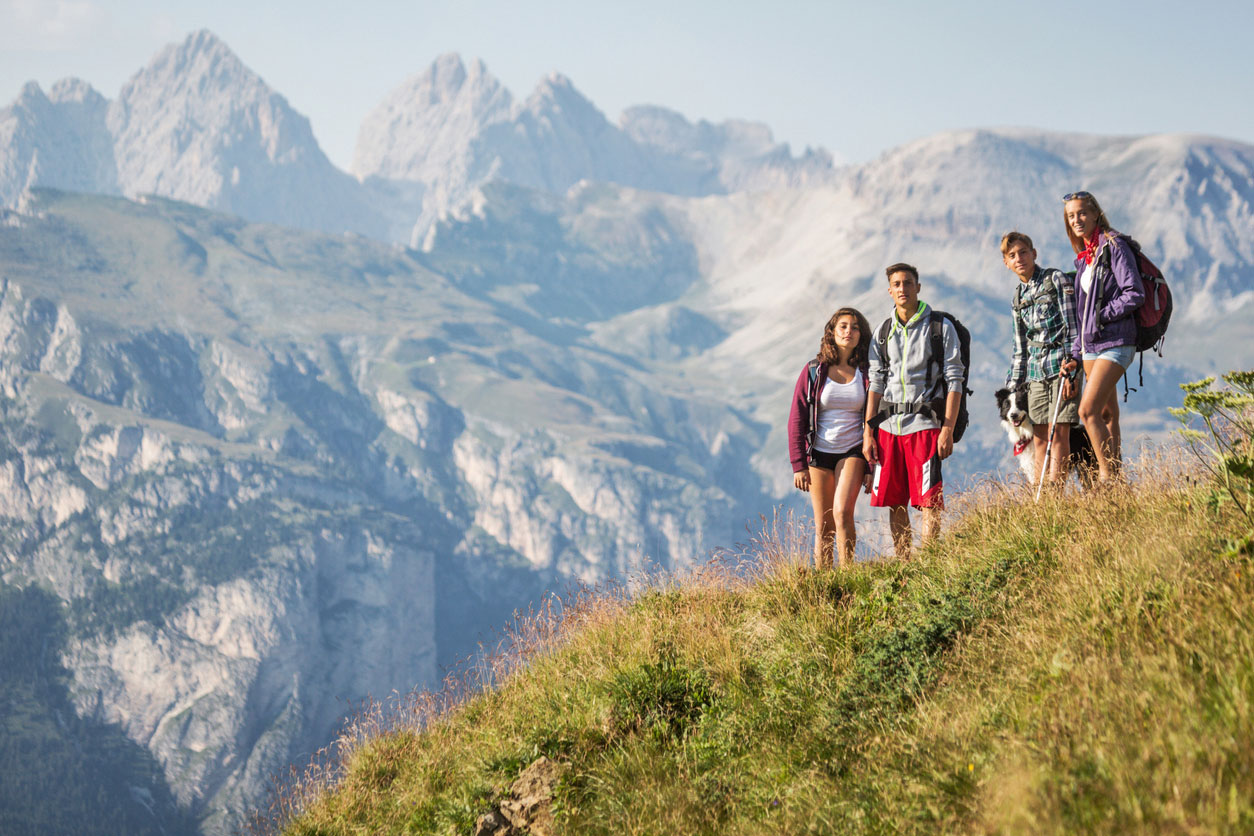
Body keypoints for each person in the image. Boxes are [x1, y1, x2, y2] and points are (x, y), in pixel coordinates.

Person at [863, 263, 964, 559]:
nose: (902, 289)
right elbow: (876, 383)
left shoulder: (940, 328)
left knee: (929, 500)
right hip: (888, 428)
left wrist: (947, 429)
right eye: (896, 284)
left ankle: (929, 563)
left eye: (908, 283)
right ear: (890, 291)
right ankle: (904, 563)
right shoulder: (883, 332)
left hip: (925, 425)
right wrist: (869, 431)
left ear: (918, 287)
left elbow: (955, 379)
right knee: (895, 501)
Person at [1062, 191, 1144, 483]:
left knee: (1087, 411)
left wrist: (1103, 315)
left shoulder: (1114, 246)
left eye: (1082, 213)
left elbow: (1134, 292)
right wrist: (1074, 354)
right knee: (1107, 415)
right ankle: (1118, 482)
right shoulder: (1084, 258)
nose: (1077, 220)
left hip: (1116, 342)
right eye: (1071, 216)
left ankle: (1108, 479)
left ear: (1096, 213)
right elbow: (1083, 317)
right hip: (1089, 348)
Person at [788, 307, 873, 569]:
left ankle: (848, 575)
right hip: (819, 453)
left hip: (853, 450)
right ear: (832, 332)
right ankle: (824, 582)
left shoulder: (867, 371)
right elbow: (797, 418)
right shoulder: (814, 370)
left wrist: (871, 466)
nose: (849, 331)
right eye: (844, 326)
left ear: (862, 334)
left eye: (855, 327)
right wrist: (798, 465)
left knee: (842, 513)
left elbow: (875, 421)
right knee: (823, 524)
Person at [1002, 231, 1081, 486]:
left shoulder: (1054, 279)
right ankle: (1041, 494)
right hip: (1035, 376)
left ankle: (1055, 495)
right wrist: (1012, 385)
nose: (1019, 258)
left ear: (1034, 254)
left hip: (1061, 367)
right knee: (1039, 437)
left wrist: (1073, 367)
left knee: (1059, 432)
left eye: (1023, 252)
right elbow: (1020, 347)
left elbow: (1073, 327)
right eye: (1012, 255)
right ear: (1006, 263)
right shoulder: (1018, 298)